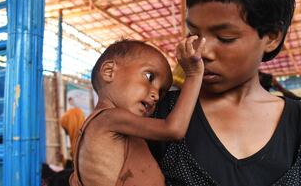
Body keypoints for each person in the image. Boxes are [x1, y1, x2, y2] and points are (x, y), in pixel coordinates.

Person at [148, 0, 301, 185]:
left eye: (225, 38)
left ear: (271, 37)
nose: (202, 51)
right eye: (193, 33)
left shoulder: (297, 123)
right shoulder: (160, 116)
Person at [70, 38, 206, 186]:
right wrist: (193, 75)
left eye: (162, 92)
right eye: (149, 77)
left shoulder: (106, 127)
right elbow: (173, 129)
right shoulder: (109, 118)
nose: (156, 95)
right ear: (109, 71)